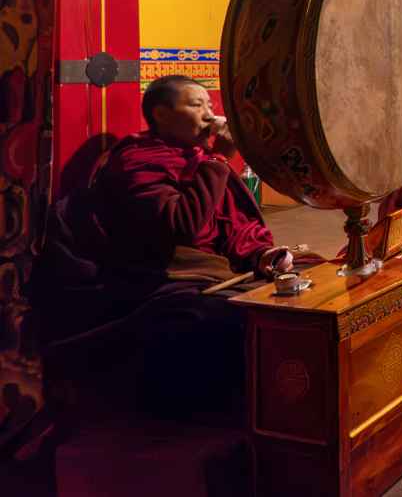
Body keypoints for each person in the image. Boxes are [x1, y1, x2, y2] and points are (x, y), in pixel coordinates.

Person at [32, 75, 309, 419]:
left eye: (210, 105)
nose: (210, 116)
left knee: (312, 286)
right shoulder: (137, 161)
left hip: (224, 270)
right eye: (196, 105)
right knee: (220, 324)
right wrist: (220, 160)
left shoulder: (195, 156)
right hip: (166, 278)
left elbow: (233, 227)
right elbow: (181, 223)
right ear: (161, 114)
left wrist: (262, 254)